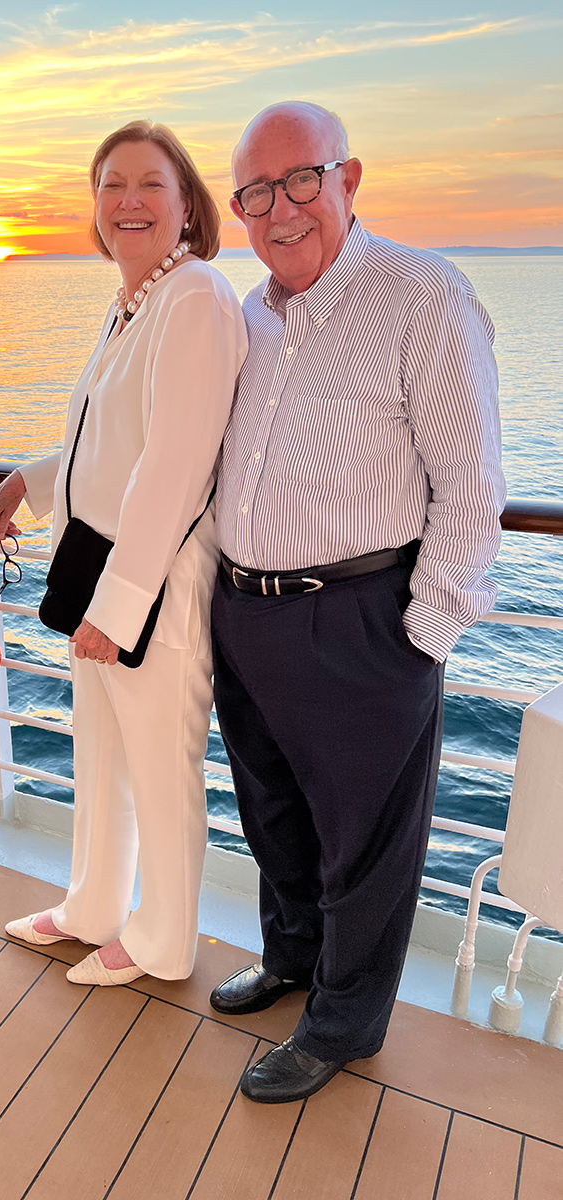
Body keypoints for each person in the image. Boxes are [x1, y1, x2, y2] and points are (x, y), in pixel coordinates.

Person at [209, 101, 505, 1102]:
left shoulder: (423, 294)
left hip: (361, 621)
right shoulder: (249, 316)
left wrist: (421, 635)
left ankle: (342, 1023)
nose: (281, 210)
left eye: (303, 181)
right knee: (273, 815)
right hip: (246, 611)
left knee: (365, 842)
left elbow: (471, 481)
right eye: (257, 192)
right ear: (239, 207)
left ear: (350, 178)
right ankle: (293, 961)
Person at [0, 121, 247, 987]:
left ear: (186, 205)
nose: (128, 201)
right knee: (100, 757)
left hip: (154, 589)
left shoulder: (197, 297)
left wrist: (116, 605)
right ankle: (95, 906)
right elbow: (108, 447)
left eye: (150, 185)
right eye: (112, 186)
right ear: (95, 208)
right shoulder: (133, 302)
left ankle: (165, 941)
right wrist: (26, 483)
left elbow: (176, 464)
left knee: (161, 773)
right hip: (95, 568)